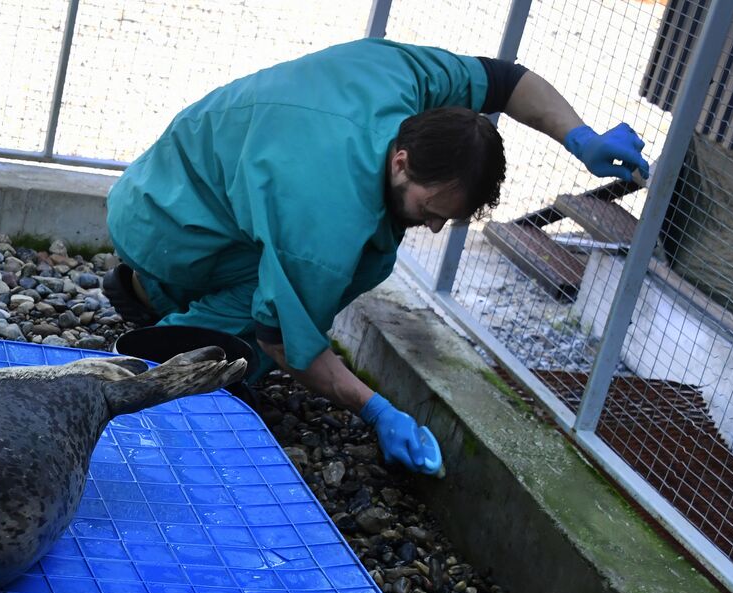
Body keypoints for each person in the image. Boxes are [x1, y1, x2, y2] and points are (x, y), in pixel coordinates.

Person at [102, 38, 650, 474]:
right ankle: (167, 360)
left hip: (179, 179)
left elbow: (506, 81)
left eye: (448, 218)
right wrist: (376, 409)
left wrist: (580, 137)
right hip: (166, 221)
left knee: (308, 271)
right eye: (432, 207)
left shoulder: (404, 81)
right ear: (402, 161)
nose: (435, 225)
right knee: (279, 304)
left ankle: (145, 290)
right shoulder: (327, 219)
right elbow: (285, 340)